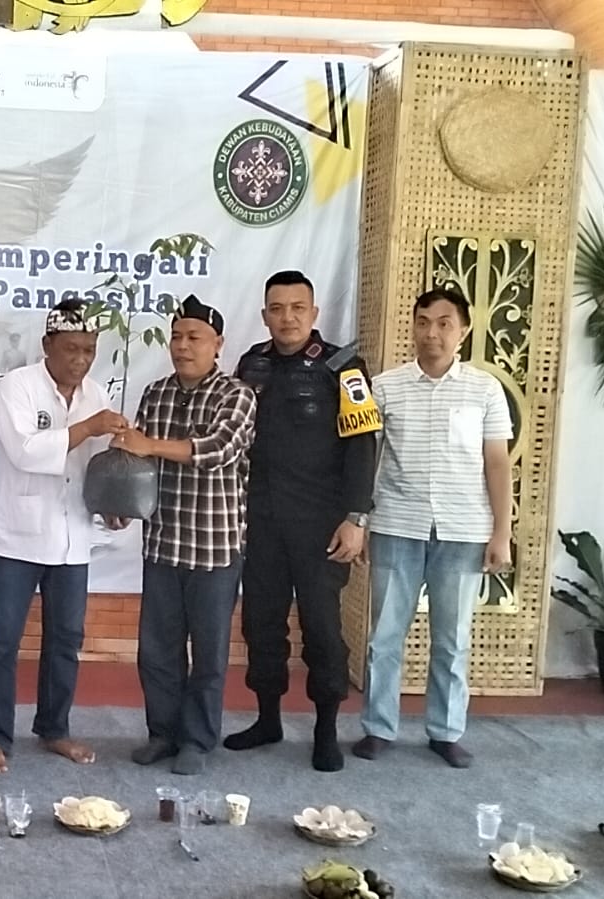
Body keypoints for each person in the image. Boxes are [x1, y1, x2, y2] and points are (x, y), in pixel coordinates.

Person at [226, 271, 380, 772]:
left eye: (297, 308)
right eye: (277, 308)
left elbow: (363, 446)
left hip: (321, 527)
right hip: (262, 522)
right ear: (265, 314)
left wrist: (355, 517)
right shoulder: (251, 364)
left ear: (314, 314)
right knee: (261, 624)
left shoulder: (344, 367)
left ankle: (325, 730)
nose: (287, 317)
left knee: (323, 630)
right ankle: (267, 719)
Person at [353, 288, 513, 769]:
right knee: (384, 635)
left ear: (464, 330)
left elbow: (498, 463)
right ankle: (379, 727)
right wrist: (361, 521)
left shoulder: (485, 390)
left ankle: (445, 731)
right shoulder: (385, 387)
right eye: (423, 322)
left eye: (444, 323)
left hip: (463, 530)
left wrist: (501, 532)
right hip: (396, 524)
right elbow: (366, 459)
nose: (432, 333)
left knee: (452, 638)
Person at [0, 299, 128, 774]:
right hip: (18, 536)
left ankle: (54, 728)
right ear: (47, 345)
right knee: (2, 641)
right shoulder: (16, 386)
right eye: (71, 349)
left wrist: (112, 505)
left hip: (73, 536)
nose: (80, 360)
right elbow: (24, 451)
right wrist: (88, 426)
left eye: (89, 350)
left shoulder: (96, 394)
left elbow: (99, 466)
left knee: (65, 639)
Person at [113, 295, 257, 776]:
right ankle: (163, 733)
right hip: (162, 543)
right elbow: (140, 464)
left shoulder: (236, 394)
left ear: (218, 344)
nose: (182, 345)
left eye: (194, 337)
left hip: (214, 547)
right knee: (157, 651)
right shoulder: (155, 393)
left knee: (208, 655)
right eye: (176, 336)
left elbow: (218, 450)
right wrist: (121, 503)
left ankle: (197, 740)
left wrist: (149, 445)